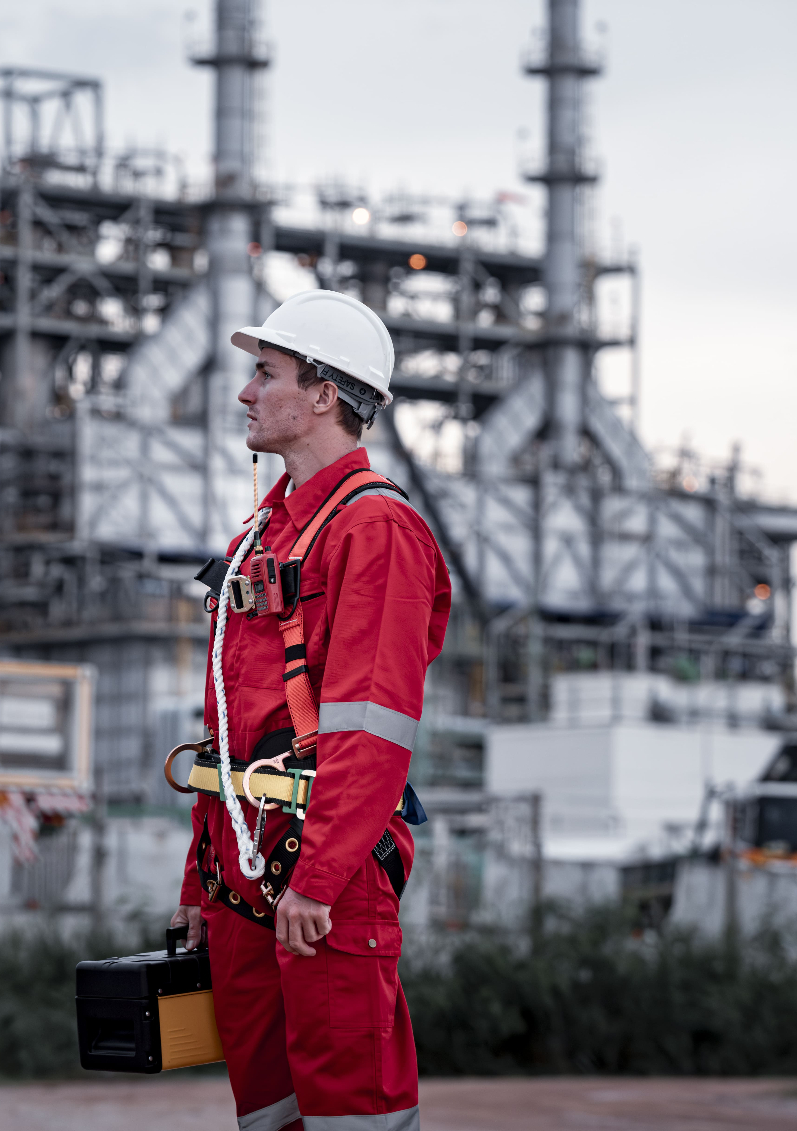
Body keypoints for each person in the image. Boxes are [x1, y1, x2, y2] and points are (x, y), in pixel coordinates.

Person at [170, 290, 451, 1131]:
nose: (246, 393)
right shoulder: (263, 535)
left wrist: (318, 879)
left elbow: (374, 727)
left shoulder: (376, 531)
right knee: (269, 1116)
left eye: (266, 373)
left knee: (347, 1113)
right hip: (243, 873)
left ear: (324, 394)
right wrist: (199, 881)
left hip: (322, 878)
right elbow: (224, 723)